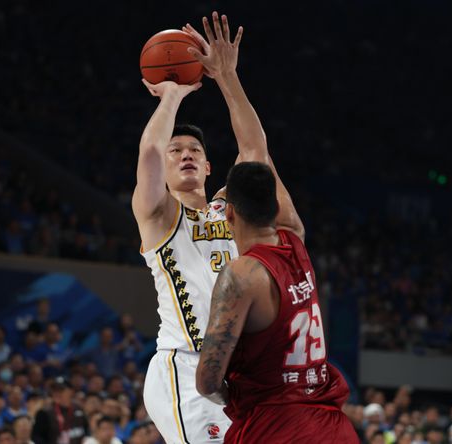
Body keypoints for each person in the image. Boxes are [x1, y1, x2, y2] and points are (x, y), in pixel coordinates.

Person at [133, 10, 290, 443]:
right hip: (186, 368)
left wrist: (226, 77)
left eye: (194, 150)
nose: (185, 154)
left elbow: (255, 149)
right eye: (176, 150)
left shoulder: (231, 208)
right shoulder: (159, 215)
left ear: (207, 166)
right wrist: (172, 95)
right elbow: (149, 153)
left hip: (239, 371)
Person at [196, 162, 358, 443]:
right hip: (333, 428)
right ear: (276, 208)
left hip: (275, 428)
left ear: (229, 213)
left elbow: (207, 381)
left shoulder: (241, 274)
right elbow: (258, 150)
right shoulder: (295, 239)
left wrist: (236, 398)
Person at [31, 377, 87, 444]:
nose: (57, 393)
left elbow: (86, 431)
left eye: (61, 390)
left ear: (71, 391)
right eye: (54, 390)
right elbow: (37, 438)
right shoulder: (44, 413)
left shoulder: (79, 409)